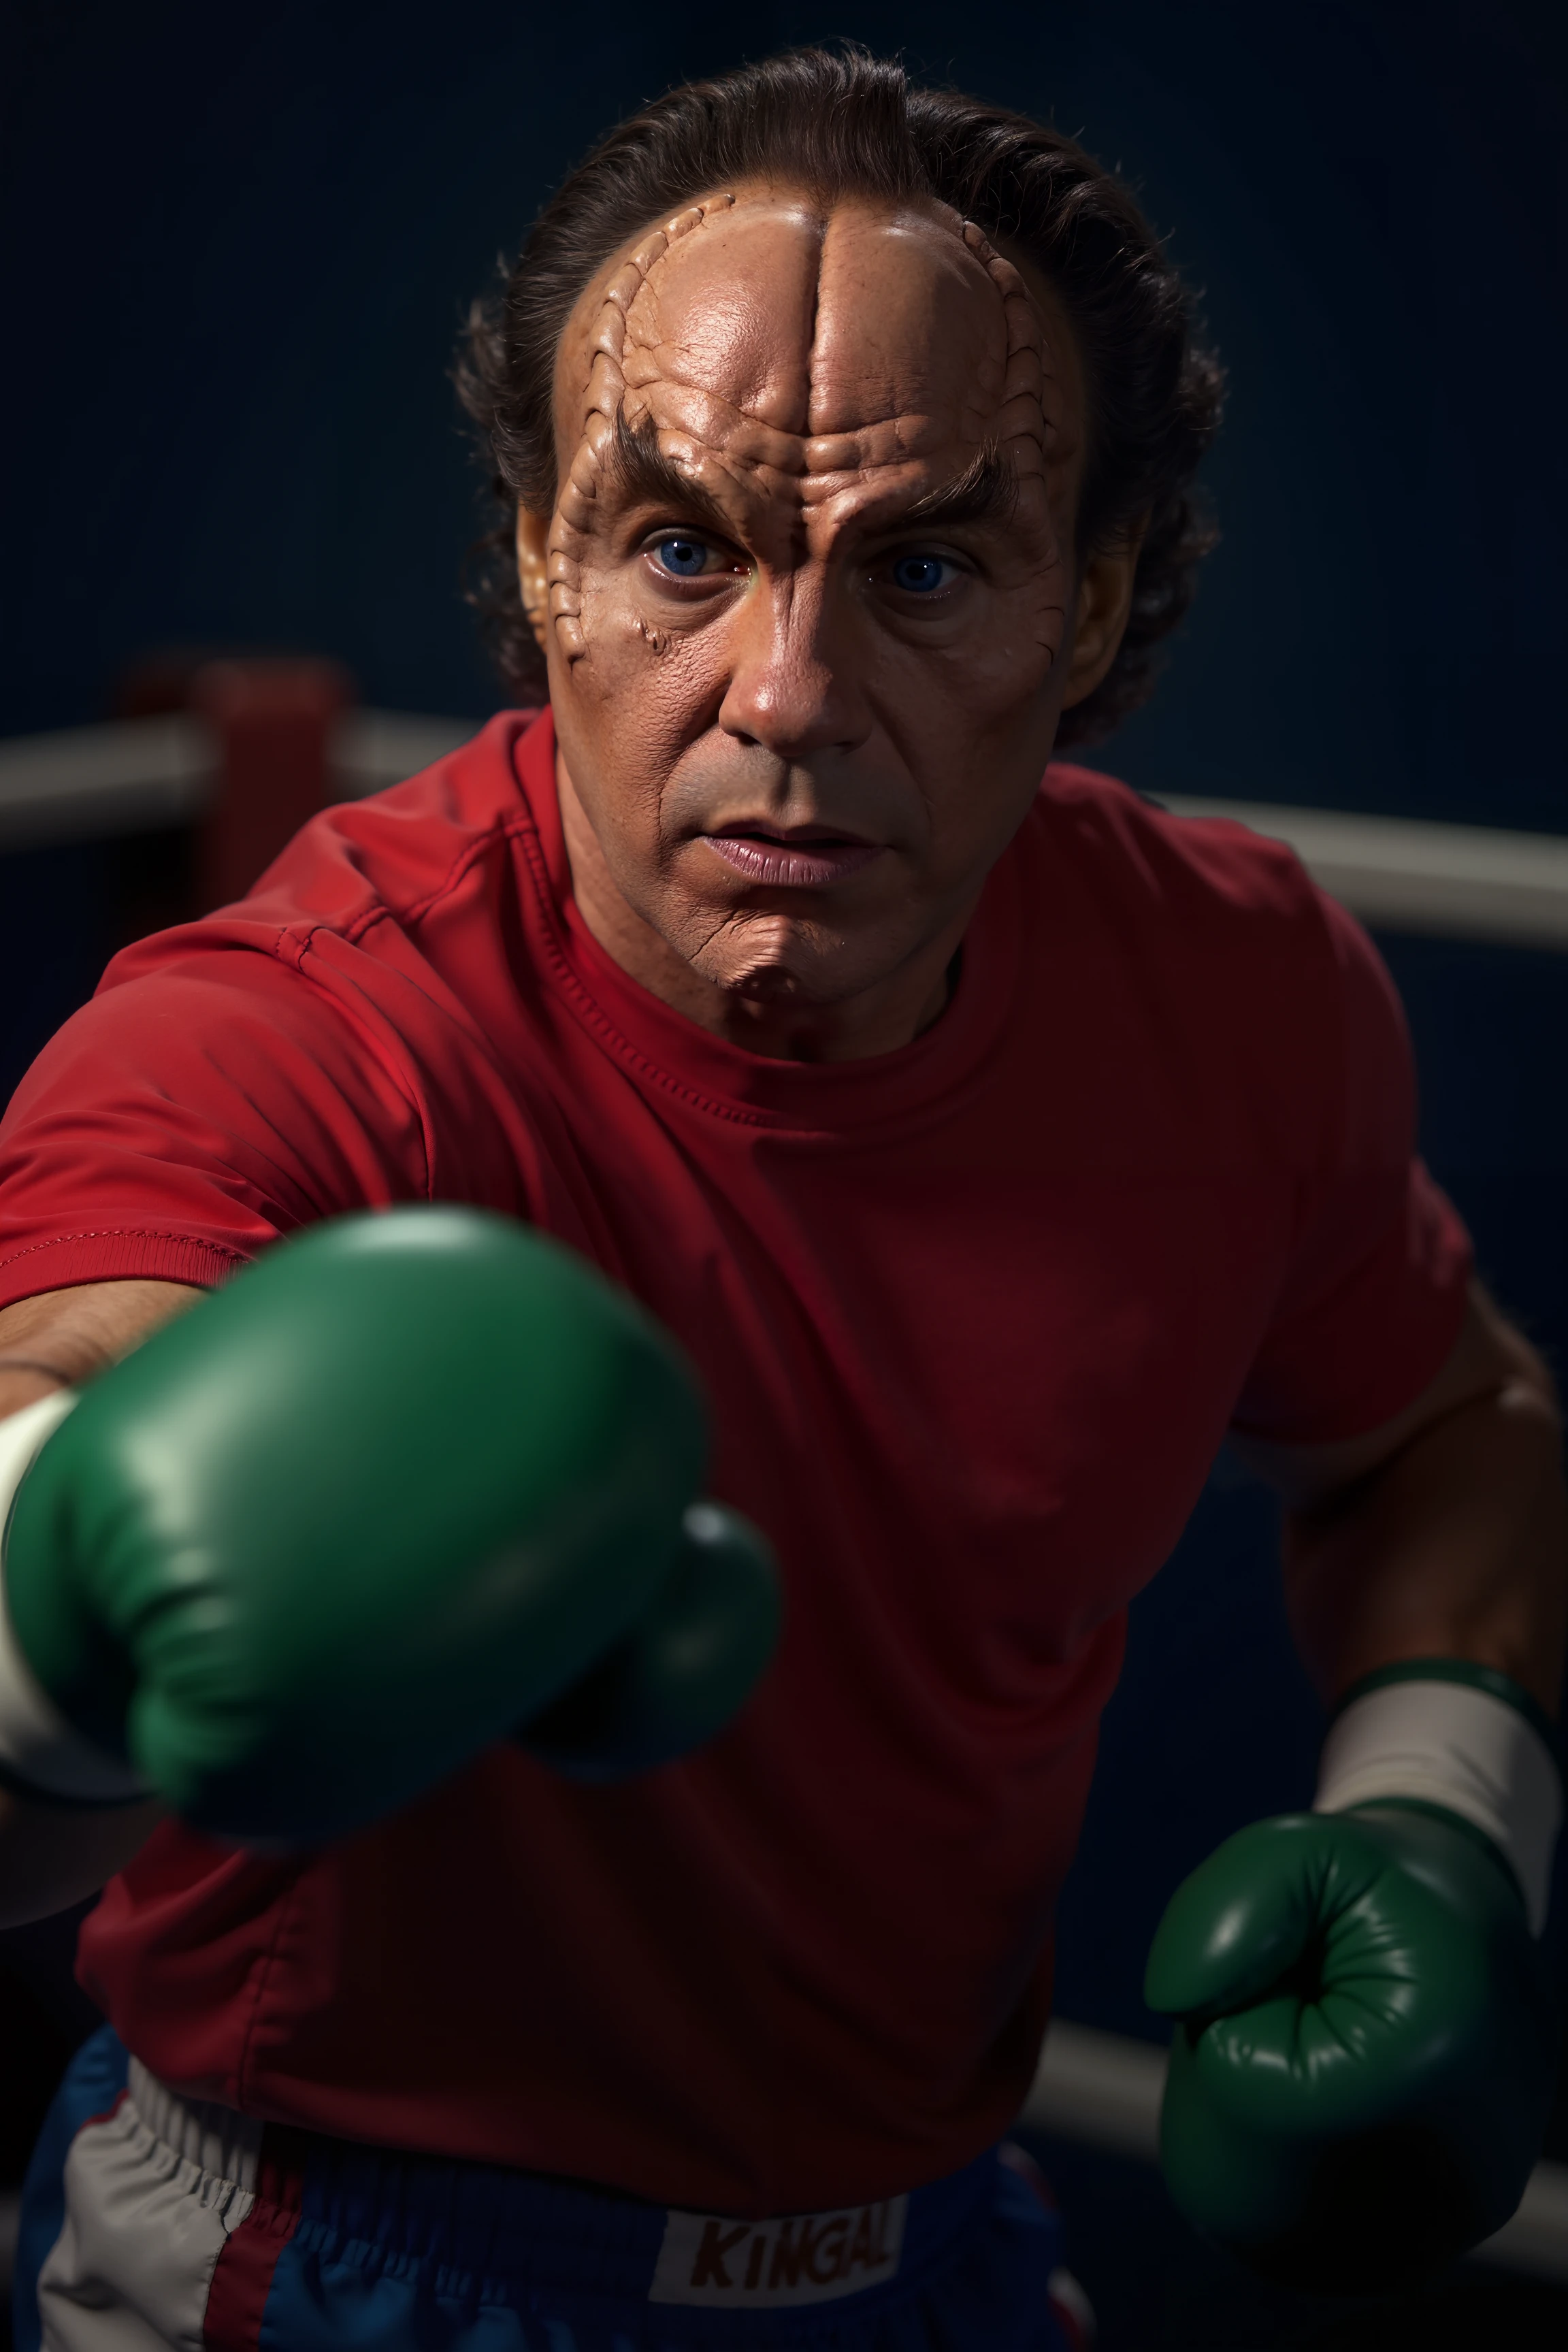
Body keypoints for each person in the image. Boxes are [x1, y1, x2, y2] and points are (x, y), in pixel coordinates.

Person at [0, 43, 1563, 2350]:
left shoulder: (1236, 991)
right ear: (542, 560)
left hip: (931, 2251)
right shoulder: (289, 1038)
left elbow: (1443, 1425)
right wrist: (62, 1627)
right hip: (326, 2268)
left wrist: (1450, 1818)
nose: (791, 692)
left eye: (924, 564)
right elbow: (72, 1375)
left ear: (1095, 605)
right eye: (680, 548)